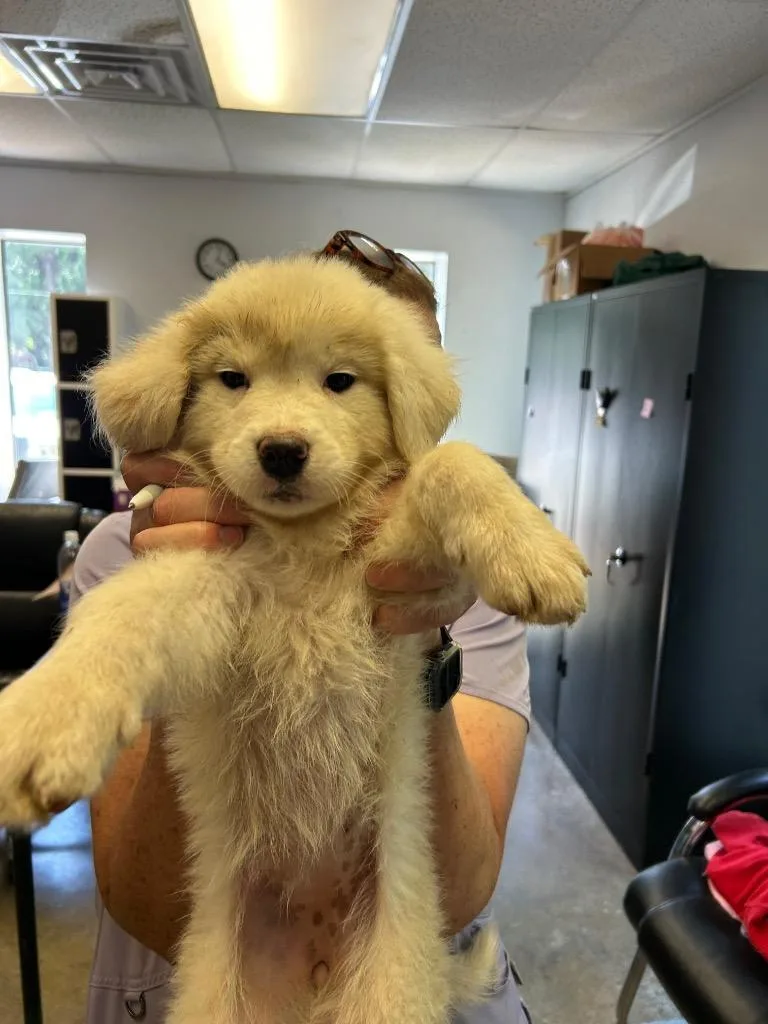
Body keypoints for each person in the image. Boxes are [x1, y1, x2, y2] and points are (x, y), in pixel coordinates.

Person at [76, 232, 533, 1023]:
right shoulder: (127, 548)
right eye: (246, 377)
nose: (294, 423)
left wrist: (419, 624)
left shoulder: (475, 581)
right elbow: (144, 897)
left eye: (349, 384)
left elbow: (456, 889)